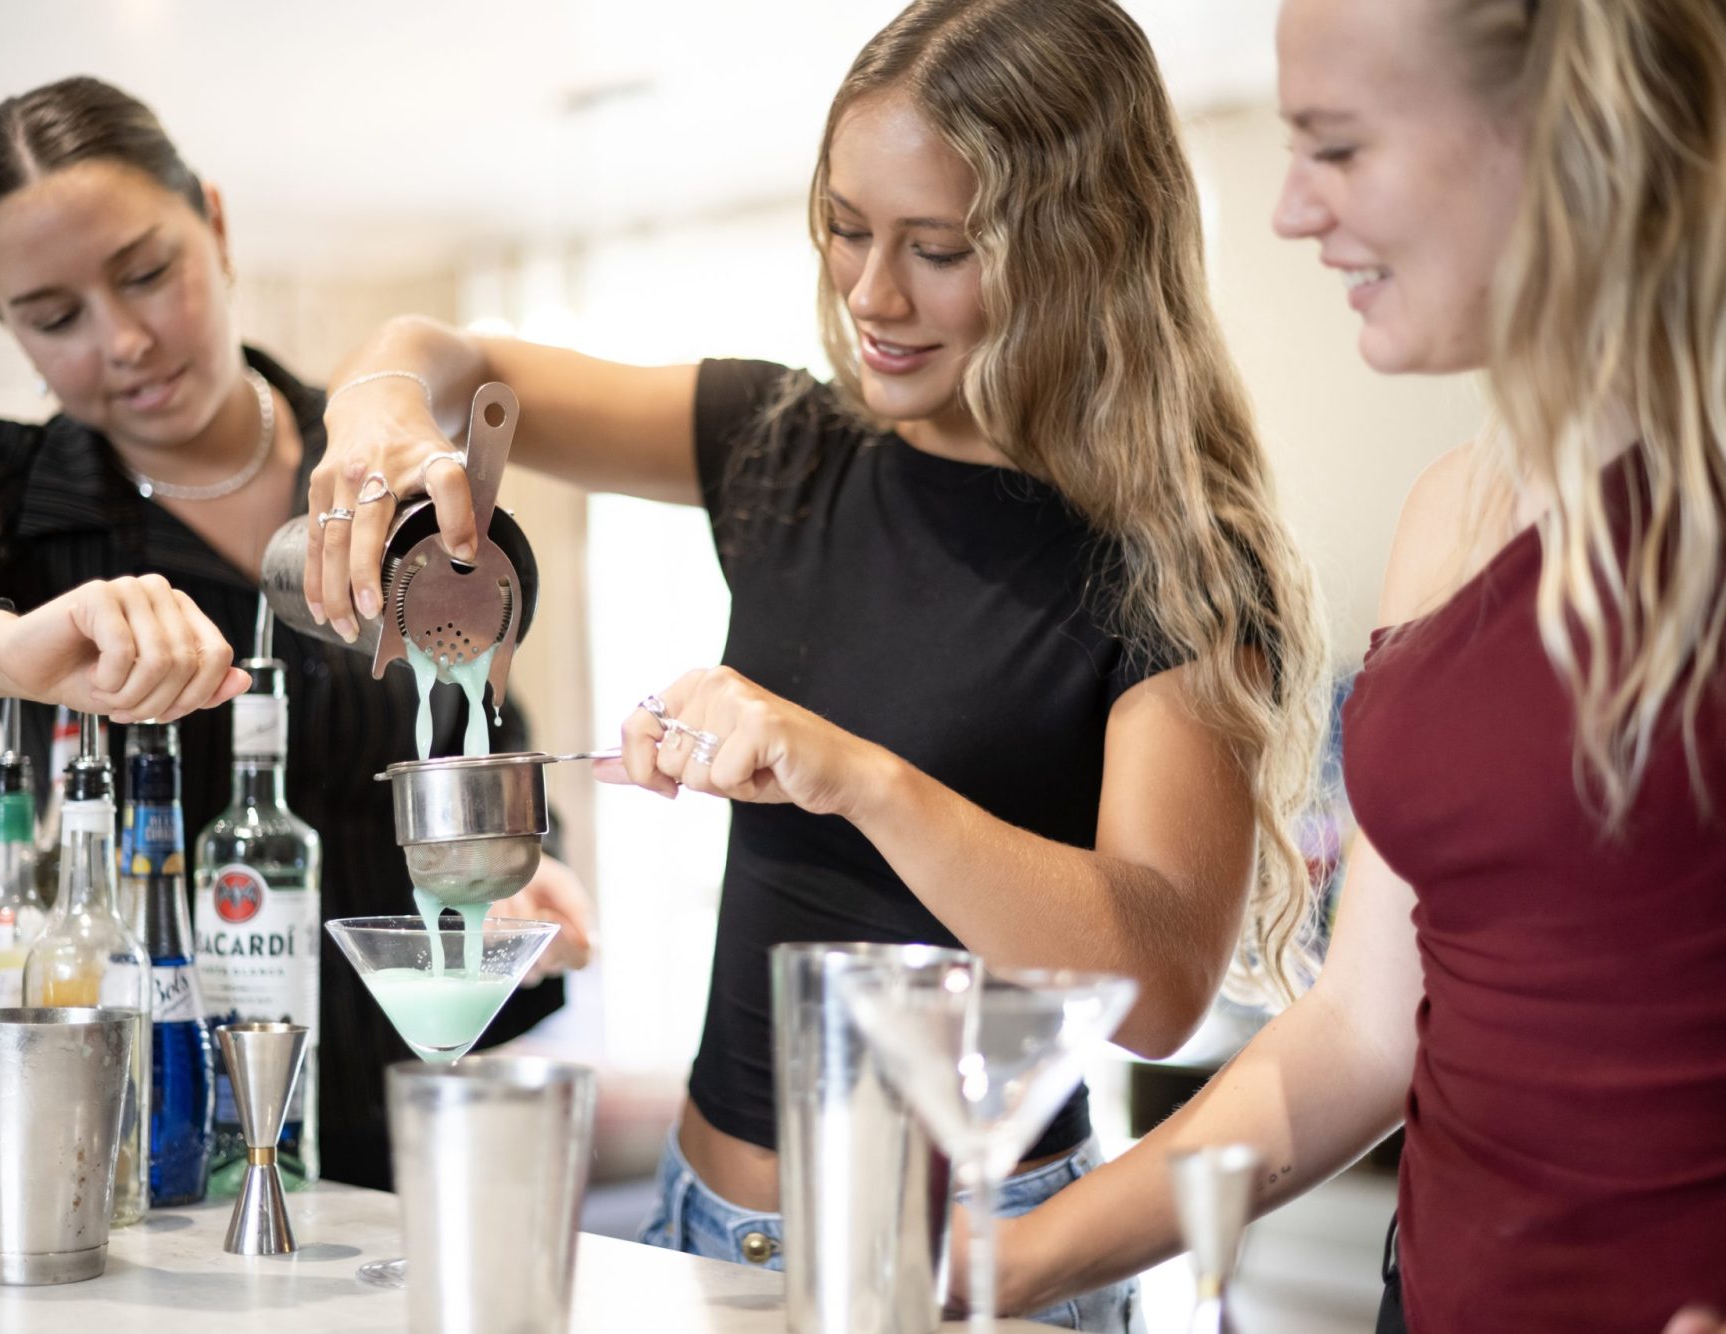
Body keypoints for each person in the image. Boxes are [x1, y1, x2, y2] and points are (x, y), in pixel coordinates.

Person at [309, 2, 1327, 1327]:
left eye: (939, 248)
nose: (872, 293)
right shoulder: (785, 446)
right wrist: (380, 402)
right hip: (695, 1230)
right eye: (845, 226)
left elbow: (1159, 983)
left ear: (1084, 245)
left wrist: (856, 775)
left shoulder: (1171, 557)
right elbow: (460, 364)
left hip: (978, 1260)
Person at [980, 0, 1726, 1329]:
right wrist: (1013, 1263)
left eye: (1337, 146)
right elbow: (1366, 1030)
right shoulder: (1455, 510)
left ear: (1556, 137)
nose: (1290, 209)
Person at [0, 76, 594, 1194]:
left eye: (147, 274)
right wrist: (11, 647)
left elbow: (475, 706)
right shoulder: (15, 486)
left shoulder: (377, 471)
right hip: (145, 1147)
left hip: (419, 1121)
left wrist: (533, 865)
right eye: (54, 316)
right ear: (8, 325)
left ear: (216, 227)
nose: (124, 338)